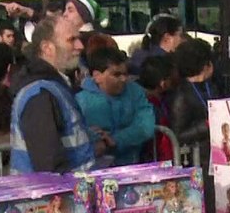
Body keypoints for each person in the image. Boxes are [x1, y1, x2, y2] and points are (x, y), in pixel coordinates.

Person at [9, 17, 97, 174]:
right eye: (72, 40)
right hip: (55, 195)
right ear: (47, 48)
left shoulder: (52, 87)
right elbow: (48, 165)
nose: (80, 46)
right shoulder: (40, 94)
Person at [77, 46, 155, 166]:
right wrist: (94, 136)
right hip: (95, 169)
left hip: (133, 166)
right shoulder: (80, 101)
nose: (123, 79)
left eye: (125, 74)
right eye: (116, 74)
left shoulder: (135, 92)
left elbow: (146, 125)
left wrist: (115, 140)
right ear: (97, 76)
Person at [169, 38, 217, 155]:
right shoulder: (181, 94)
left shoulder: (212, 86)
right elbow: (177, 135)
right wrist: (206, 125)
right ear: (207, 65)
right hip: (194, 156)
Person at [137, 54, 179, 162]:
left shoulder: (159, 100)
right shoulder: (151, 106)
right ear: (163, 83)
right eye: (171, 78)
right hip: (155, 160)